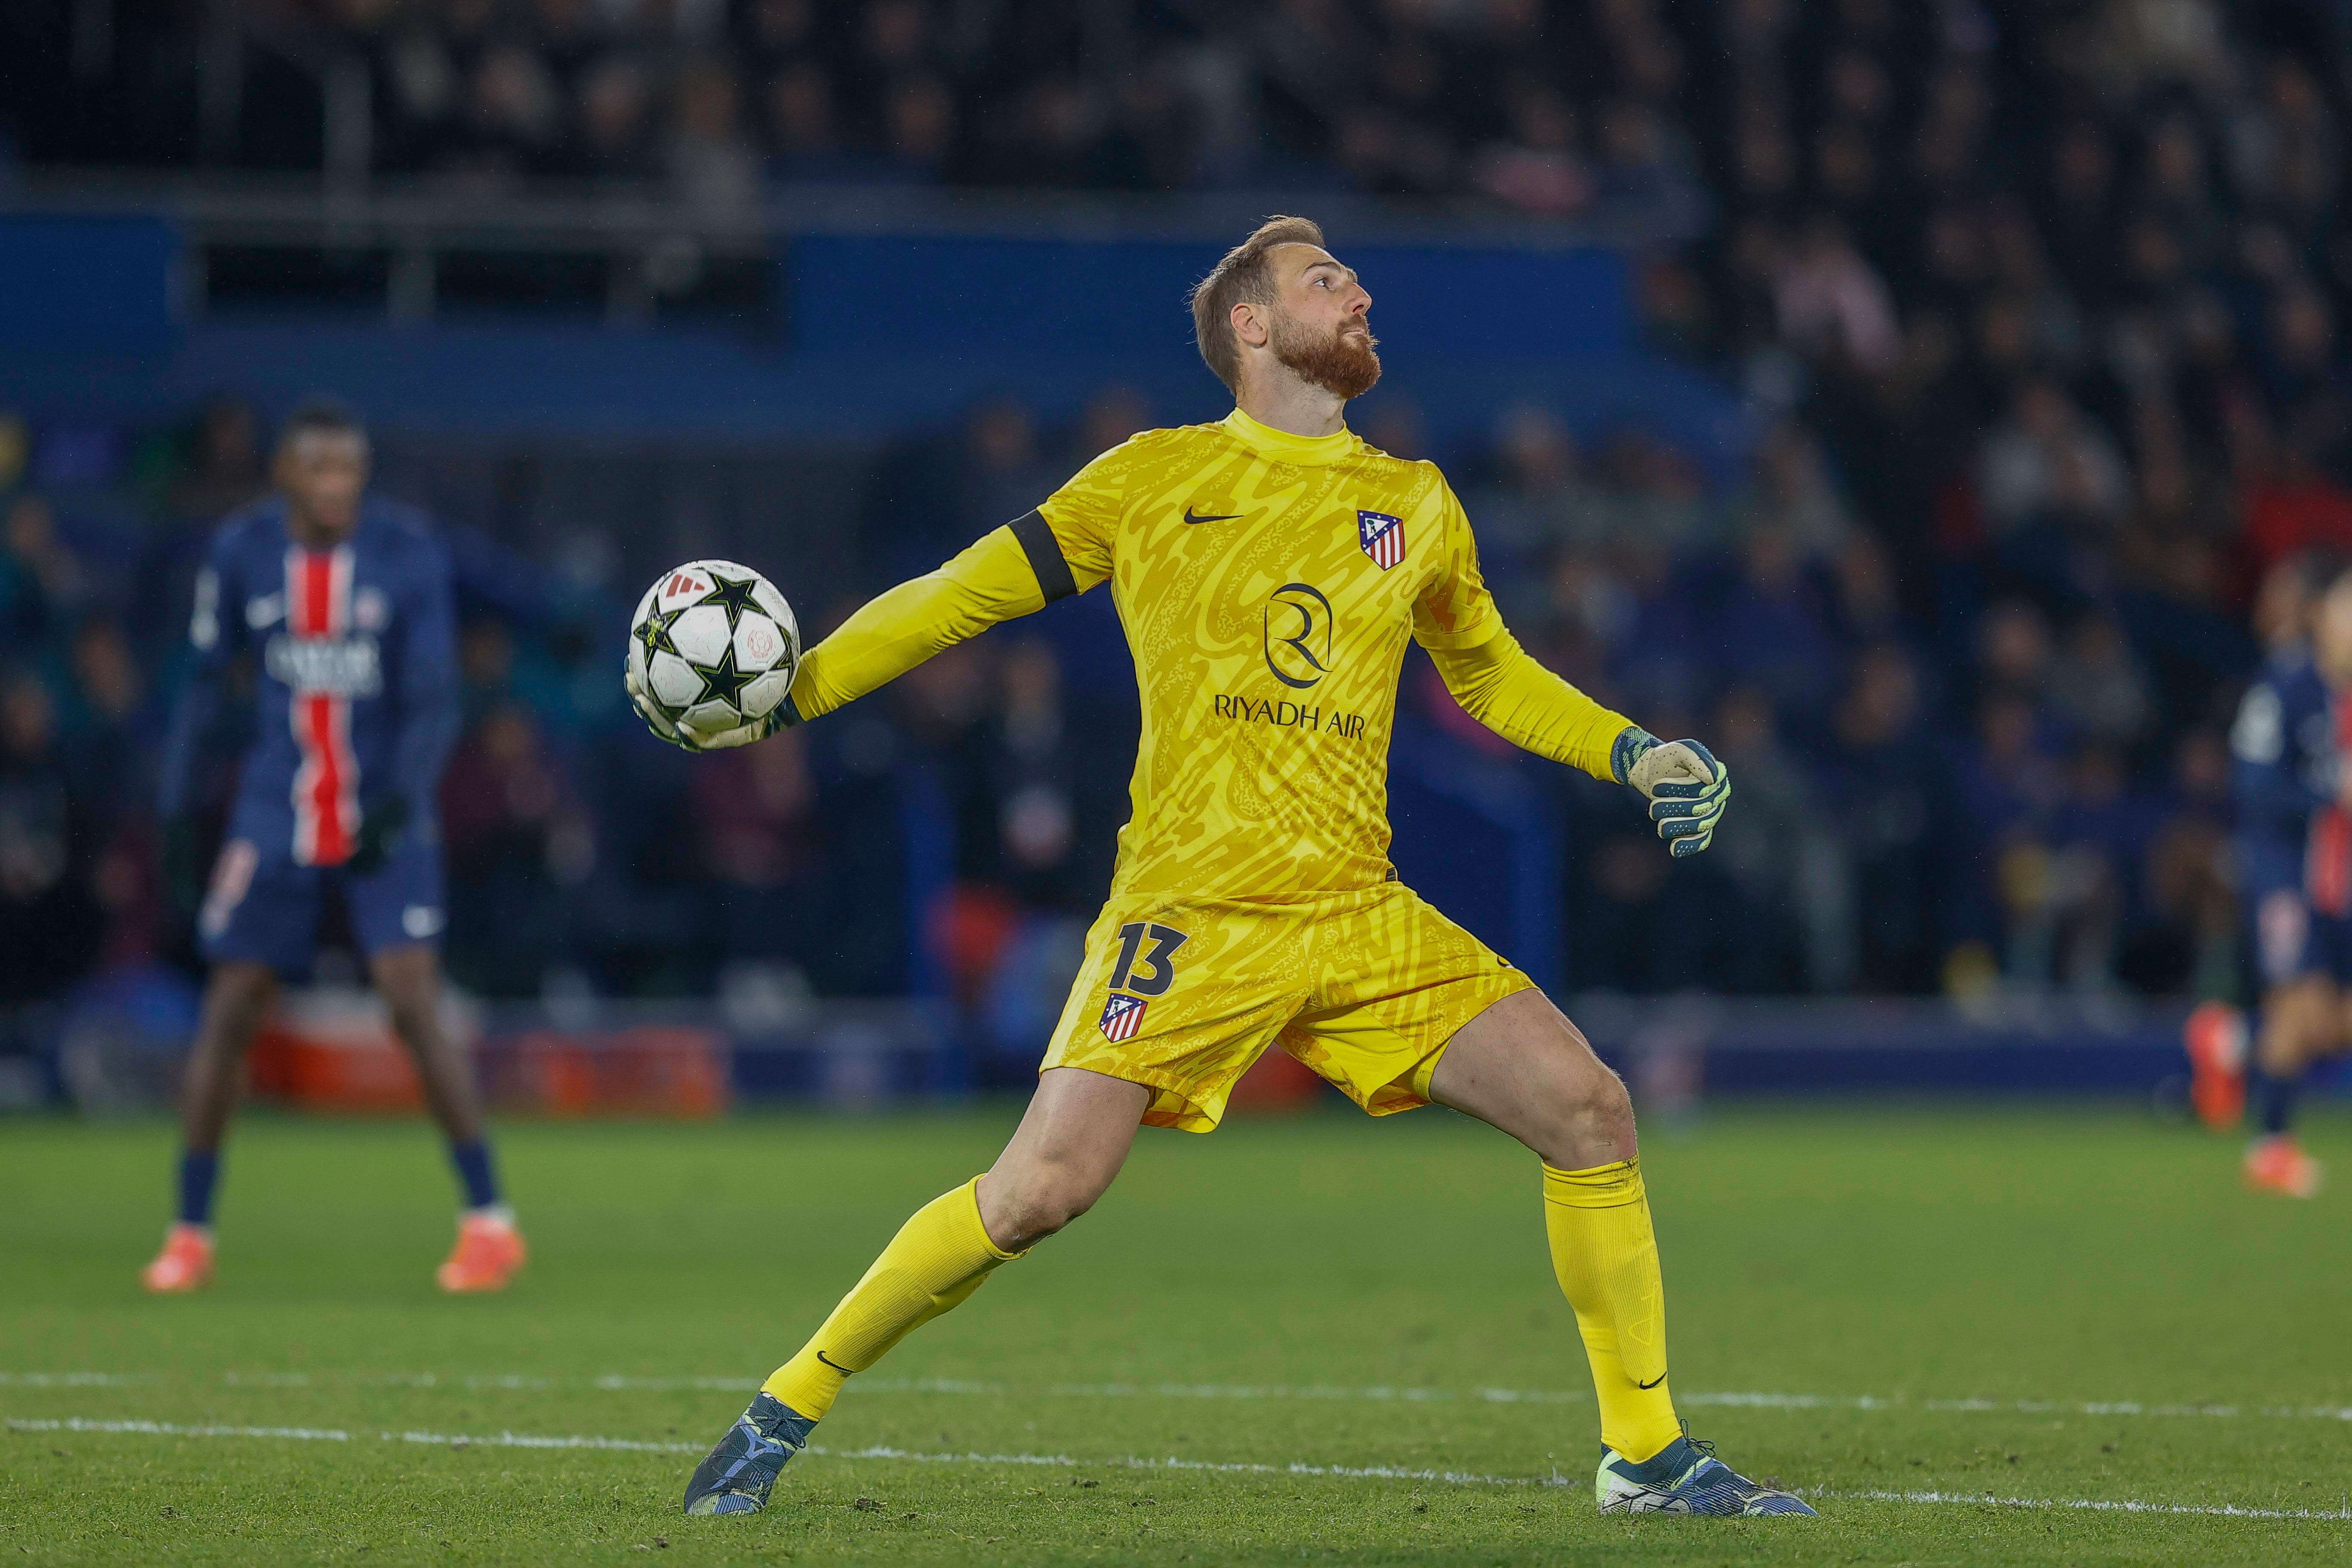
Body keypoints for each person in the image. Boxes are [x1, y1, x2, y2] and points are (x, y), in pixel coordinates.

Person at [638, 218, 1805, 1519]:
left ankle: (1643, 1453)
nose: (1360, 292)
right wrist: (796, 694)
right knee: (1037, 1194)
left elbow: (1487, 673)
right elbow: (965, 593)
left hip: (1357, 911)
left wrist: (1632, 752)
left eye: (1356, 276)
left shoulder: (1415, 504)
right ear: (1251, 328)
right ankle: (782, 1407)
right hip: (1191, 910)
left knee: (1590, 1112)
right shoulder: (1152, 476)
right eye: (1325, 281)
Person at [142, 401, 525, 1292]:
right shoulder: (241, 552)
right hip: (277, 810)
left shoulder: (407, 553)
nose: (335, 488)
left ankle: (490, 1222)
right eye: (319, 470)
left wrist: (400, 800)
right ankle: (189, 1231)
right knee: (232, 1003)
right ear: (287, 473)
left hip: (383, 807)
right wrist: (171, 807)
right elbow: (204, 687)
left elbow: (435, 697)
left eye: (349, 470)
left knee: (410, 998)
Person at [2193, 553, 2352, 1197]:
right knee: (2303, 1006)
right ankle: (2271, 1149)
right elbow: (2252, 786)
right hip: (2285, 869)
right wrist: (2328, 792)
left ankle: (2230, 1039)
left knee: (2332, 1026)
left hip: (2338, 876)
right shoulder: (2285, 686)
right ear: (2321, 616)